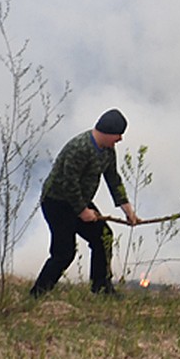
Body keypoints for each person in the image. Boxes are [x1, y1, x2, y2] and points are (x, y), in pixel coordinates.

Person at [30, 108, 139, 297]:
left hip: (81, 201)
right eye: (118, 135)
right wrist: (82, 211)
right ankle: (37, 294)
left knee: (103, 237)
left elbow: (114, 179)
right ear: (107, 132)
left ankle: (101, 288)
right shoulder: (79, 148)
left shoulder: (108, 151)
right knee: (64, 253)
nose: (120, 139)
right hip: (57, 202)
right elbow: (68, 183)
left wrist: (128, 210)